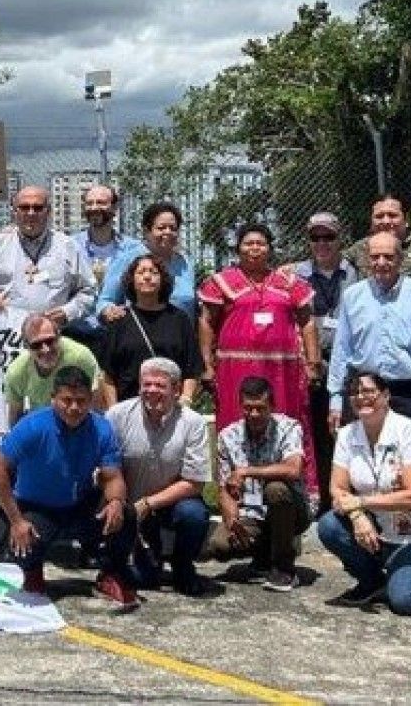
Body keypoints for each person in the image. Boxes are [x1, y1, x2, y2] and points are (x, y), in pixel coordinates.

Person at [0, 365, 139, 609]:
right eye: (66, 400)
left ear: (91, 399)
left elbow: (112, 477)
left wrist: (116, 503)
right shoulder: (33, 425)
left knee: (127, 515)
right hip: (37, 508)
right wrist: (16, 520)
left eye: (81, 401)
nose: (74, 408)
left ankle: (110, 573)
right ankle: (33, 573)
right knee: (24, 545)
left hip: (79, 505)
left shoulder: (101, 428)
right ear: (53, 398)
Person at [199, 223, 321, 493]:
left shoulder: (289, 283)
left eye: (261, 244)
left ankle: (294, 492)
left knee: (287, 420)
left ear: (269, 248)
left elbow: (307, 321)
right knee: (236, 420)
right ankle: (233, 491)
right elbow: (207, 321)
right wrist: (206, 364)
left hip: (282, 370)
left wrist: (313, 363)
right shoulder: (221, 282)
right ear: (238, 248)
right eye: (248, 244)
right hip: (235, 369)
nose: (254, 249)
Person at [318, 371, 411, 614]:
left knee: (407, 602)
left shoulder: (410, 432)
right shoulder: (347, 435)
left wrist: (359, 501)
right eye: (355, 393)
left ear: (386, 395)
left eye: (368, 392)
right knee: (329, 525)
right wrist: (358, 516)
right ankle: (372, 581)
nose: (361, 398)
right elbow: (337, 489)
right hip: (377, 534)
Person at [107, 357, 211, 596]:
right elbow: (107, 467)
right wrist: (124, 504)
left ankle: (183, 565)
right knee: (143, 580)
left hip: (170, 504)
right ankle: (115, 560)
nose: (152, 391)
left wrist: (149, 503)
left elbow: (194, 483)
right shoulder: (117, 416)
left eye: (160, 385)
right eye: (147, 384)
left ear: (176, 390)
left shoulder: (193, 423)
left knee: (194, 514)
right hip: (127, 504)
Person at [327, 232, 411, 430]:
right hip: (364, 391)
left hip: (409, 394)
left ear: (401, 259)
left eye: (389, 257)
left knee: (408, 457)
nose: (381, 262)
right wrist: (335, 399)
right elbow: (341, 350)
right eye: (375, 257)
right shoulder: (352, 296)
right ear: (367, 260)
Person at [202, 376, 310, 592]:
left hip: (291, 510)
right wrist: (231, 518)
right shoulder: (228, 436)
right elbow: (225, 487)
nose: (253, 414)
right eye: (248, 408)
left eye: (260, 408)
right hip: (252, 514)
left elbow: (293, 469)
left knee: (276, 489)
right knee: (219, 545)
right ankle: (262, 557)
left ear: (272, 406)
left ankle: (284, 567)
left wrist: (246, 471)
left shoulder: (289, 428)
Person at [291, 211, 359, 512]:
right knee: (316, 429)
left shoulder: (354, 273)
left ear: (339, 238)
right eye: (315, 237)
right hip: (311, 362)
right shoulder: (295, 276)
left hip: (347, 362)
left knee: (347, 429)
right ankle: (321, 498)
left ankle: (349, 493)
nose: (322, 243)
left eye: (328, 237)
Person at [0, 185, 95, 325]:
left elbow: (88, 291)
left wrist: (67, 312)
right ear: (14, 212)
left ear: (48, 212)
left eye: (38, 208)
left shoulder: (67, 247)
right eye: (24, 207)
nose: (31, 213)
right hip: (6, 335)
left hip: (53, 336)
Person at [98, 253, 199, 406]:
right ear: (131, 280)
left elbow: (191, 368)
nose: (147, 276)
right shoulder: (119, 320)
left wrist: (186, 400)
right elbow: (108, 374)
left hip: (171, 408)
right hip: (129, 406)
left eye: (153, 272)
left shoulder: (179, 319)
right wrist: (114, 410)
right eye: (140, 272)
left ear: (163, 279)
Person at [95, 201, 195, 321]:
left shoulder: (185, 263)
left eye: (173, 228)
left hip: (181, 334)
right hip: (139, 334)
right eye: (161, 228)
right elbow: (105, 301)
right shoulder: (128, 259)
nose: (168, 232)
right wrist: (110, 312)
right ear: (147, 231)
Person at [4, 314, 106, 425]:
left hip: (79, 421)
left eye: (49, 341)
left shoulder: (80, 357)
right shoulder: (16, 372)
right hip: (42, 425)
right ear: (26, 346)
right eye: (36, 345)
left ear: (59, 337)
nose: (45, 349)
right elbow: (15, 419)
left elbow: (97, 408)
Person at [68, 184, 135, 348]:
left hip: (119, 333)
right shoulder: (69, 246)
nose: (94, 208)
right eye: (89, 203)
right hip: (77, 332)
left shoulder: (134, 250)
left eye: (100, 203)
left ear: (115, 207)